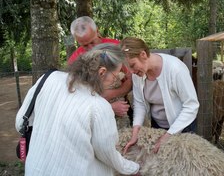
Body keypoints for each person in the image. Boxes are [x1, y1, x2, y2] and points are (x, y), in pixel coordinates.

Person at [15, 44, 140, 176]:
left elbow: (20, 123)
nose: (115, 81)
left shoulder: (48, 78)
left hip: (34, 170)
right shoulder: (99, 106)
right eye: (115, 76)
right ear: (102, 72)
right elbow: (107, 153)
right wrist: (133, 169)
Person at [120, 37, 199, 154]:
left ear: (143, 54)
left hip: (183, 127)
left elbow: (191, 105)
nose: (131, 72)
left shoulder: (176, 69)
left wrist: (169, 135)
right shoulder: (138, 75)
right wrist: (135, 132)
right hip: (158, 127)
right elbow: (139, 103)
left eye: (132, 65)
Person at [68, 16, 133, 120]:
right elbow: (76, 97)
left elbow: (131, 79)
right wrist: (108, 107)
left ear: (97, 31)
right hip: (92, 113)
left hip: (122, 105)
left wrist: (111, 95)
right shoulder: (75, 60)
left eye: (92, 42)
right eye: (84, 45)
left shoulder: (116, 47)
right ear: (77, 40)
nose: (91, 48)